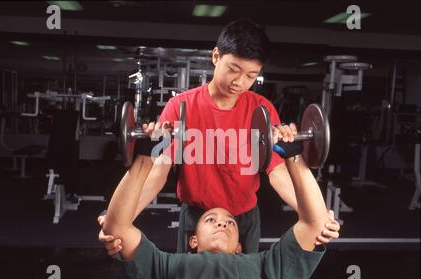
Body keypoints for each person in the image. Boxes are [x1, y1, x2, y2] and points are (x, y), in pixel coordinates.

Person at [104, 18, 335, 253]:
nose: (240, 82)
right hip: (196, 218)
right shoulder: (179, 106)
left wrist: (317, 216)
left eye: (251, 75)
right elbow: (158, 173)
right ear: (216, 56)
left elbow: (278, 173)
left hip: (244, 219)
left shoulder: (261, 110)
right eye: (233, 70)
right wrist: (118, 219)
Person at [99, 138, 339, 279]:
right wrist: (144, 156)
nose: (221, 222)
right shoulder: (167, 267)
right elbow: (117, 227)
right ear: (192, 241)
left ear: (239, 247)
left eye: (230, 222)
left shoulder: (264, 267)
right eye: (210, 220)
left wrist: (294, 157)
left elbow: (314, 224)